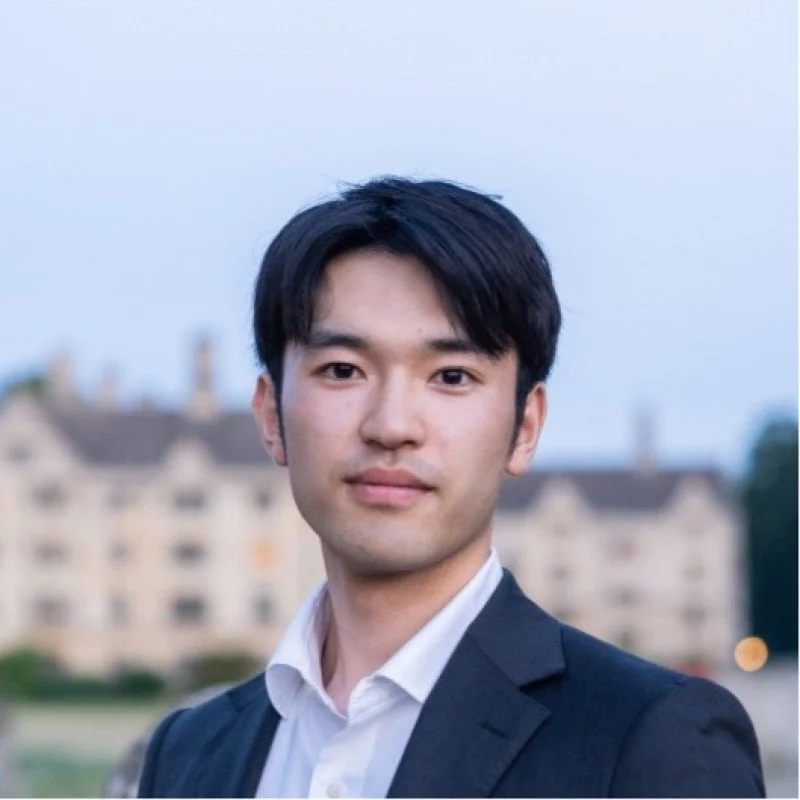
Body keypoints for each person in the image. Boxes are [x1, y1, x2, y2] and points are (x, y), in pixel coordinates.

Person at [137, 177, 764, 798]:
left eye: (452, 376)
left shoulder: (652, 737)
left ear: (525, 427)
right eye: (343, 370)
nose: (391, 426)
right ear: (271, 416)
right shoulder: (189, 753)